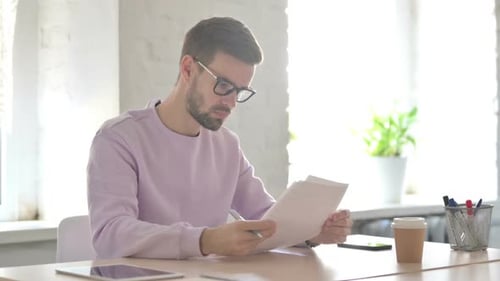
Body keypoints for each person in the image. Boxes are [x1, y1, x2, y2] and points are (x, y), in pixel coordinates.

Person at [87, 16, 352, 260]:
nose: (231, 102)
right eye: (223, 85)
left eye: (239, 91)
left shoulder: (226, 145)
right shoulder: (118, 139)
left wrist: (309, 233)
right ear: (188, 69)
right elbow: (111, 233)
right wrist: (205, 240)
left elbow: (266, 218)